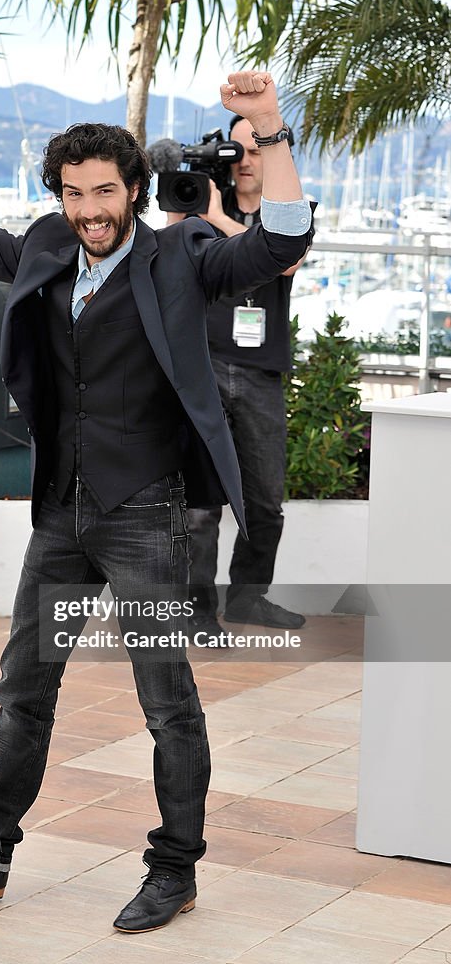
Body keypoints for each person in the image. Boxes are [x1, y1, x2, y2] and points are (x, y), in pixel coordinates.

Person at [0, 70, 311, 933]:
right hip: (61, 515)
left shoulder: (181, 256)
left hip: (146, 516)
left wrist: (266, 127)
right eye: (74, 193)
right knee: (23, 689)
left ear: (133, 191)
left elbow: (277, 241)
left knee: (166, 703)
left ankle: (174, 870)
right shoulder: (45, 246)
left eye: (104, 192)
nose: (89, 210)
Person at [172, 114, 314, 635]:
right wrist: (193, 205)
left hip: (260, 369)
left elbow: (286, 259)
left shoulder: (290, 209)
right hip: (204, 363)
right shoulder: (200, 203)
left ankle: (249, 599)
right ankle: (197, 610)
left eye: (257, 150)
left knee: (264, 501)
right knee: (202, 503)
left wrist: (217, 217)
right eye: (237, 151)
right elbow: (169, 256)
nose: (247, 161)